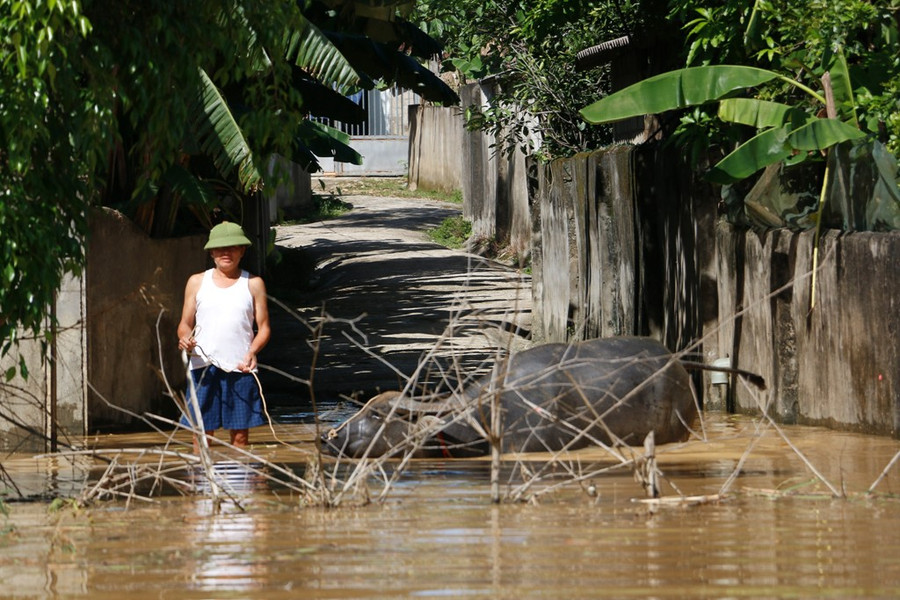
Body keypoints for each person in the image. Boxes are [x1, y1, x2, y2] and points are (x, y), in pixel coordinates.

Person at [177, 221, 271, 450]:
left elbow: (264, 328)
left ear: (242, 251)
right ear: (211, 252)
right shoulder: (197, 282)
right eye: (220, 249)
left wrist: (252, 352)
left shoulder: (253, 284)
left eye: (232, 248)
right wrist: (185, 339)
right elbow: (184, 324)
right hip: (202, 368)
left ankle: (239, 484)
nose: (225, 253)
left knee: (240, 438)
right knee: (201, 435)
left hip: (241, 368)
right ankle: (201, 482)